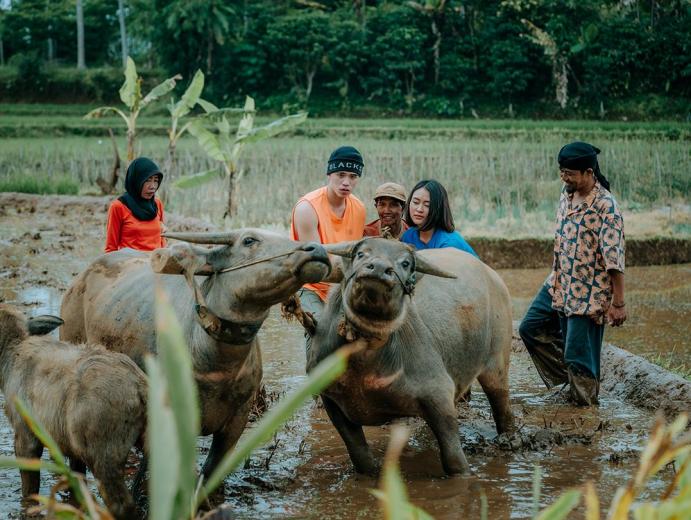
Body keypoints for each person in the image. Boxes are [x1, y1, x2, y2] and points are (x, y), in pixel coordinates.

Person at [518, 141, 626, 406]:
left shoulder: (606, 207)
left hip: (588, 292)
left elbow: (614, 259)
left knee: (579, 354)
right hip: (559, 282)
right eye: (562, 172)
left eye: (569, 173)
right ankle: (570, 384)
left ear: (589, 172)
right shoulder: (566, 195)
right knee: (530, 328)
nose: (564, 178)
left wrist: (618, 303)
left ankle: (585, 406)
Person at [290, 146, 367, 347]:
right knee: (322, 334)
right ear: (329, 174)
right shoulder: (307, 208)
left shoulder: (359, 208)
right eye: (341, 174)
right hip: (311, 286)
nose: (346, 182)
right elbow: (317, 266)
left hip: (343, 285)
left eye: (353, 176)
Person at [400, 179, 477, 257]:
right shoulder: (408, 236)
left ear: (439, 209)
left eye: (427, 205)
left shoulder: (449, 244)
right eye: (416, 202)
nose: (419, 209)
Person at [105, 157, 166, 253]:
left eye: (156, 180)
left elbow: (162, 239)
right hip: (131, 261)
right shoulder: (118, 207)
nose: (152, 186)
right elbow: (111, 248)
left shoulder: (157, 204)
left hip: (155, 260)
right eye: (147, 180)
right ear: (136, 180)